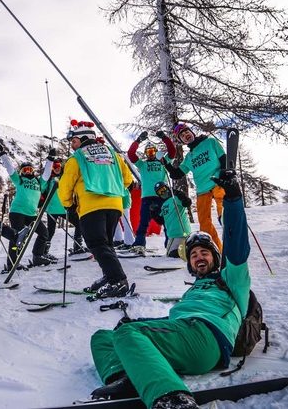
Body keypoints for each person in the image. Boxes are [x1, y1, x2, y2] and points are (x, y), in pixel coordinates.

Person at [89, 170, 248, 409]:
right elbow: (174, 323)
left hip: (207, 338)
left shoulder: (230, 278)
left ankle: (172, 399)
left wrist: (233, 199)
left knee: (129, 335)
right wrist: (137, 320)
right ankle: (127, 379)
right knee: (102, 338)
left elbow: (236, 243)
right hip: (186, 333)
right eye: (194, 255)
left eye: (205, 252)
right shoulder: (192, 291)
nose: (199, 257)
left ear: (216, 257)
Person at [58, 120, 133, 298]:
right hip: (114, 205)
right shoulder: (113, 154)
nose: (72, 145)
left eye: (74, 141)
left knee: (97, 244)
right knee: (106, 244)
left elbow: (65, 185)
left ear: (84, 139)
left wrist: (68, 204)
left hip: (91, 207)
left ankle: (118, 281)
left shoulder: (77, 157)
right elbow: (127, 179)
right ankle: (110, 275)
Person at [165, 122, 226, 251]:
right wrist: (166, 164)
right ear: (181, 140)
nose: (185, 135)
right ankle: (217, 251)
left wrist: (225, 173)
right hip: (202, 190)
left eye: (187, 131)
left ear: (192, 132)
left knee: (223, 203)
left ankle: (225, 218)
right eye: (182, 135)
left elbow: (223, 158)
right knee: (204, 223)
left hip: (217, 181)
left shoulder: (210, 142)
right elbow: (176, 174)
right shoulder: (189, 157)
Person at [0, 144, 50, 269]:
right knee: (17, 237)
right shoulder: (19, 180)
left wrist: (50, 159)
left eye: (30, 170)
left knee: (43, 233)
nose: (28, 172)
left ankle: (37, 256)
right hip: (17, 212)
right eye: (25, 170)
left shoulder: (38, 182)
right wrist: (2, 154)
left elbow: (47, 174)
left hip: (32, 214)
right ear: (21, 172)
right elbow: (10, 169)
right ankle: (12, 263)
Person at [127, 130, 176, 255]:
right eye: (148, 152)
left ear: (156, 152)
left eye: (153, 151)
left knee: (167, 222)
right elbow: (131, 154)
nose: (151, 154)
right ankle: (139, 244)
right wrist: (138, 140)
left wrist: (164, 138)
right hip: (147, 197)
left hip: (163, 196)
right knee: (143, 222)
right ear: (145, 154)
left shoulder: (162, 162)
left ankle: (170, 245)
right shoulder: (142, 165)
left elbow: (172, 151)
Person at [150, 181, 192, 258]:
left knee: (171, 254)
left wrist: (181, 196)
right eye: (160, 192)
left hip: (181, 232)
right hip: (172, 235)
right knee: (170, 254)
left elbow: (187, 203)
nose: (163, 193)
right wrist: (153, 212)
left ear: (167, 188)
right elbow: (160, 221)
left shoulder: (175, 198)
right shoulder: (163, 205)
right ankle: (186, 252)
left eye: (163, 189)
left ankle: (186, 253)